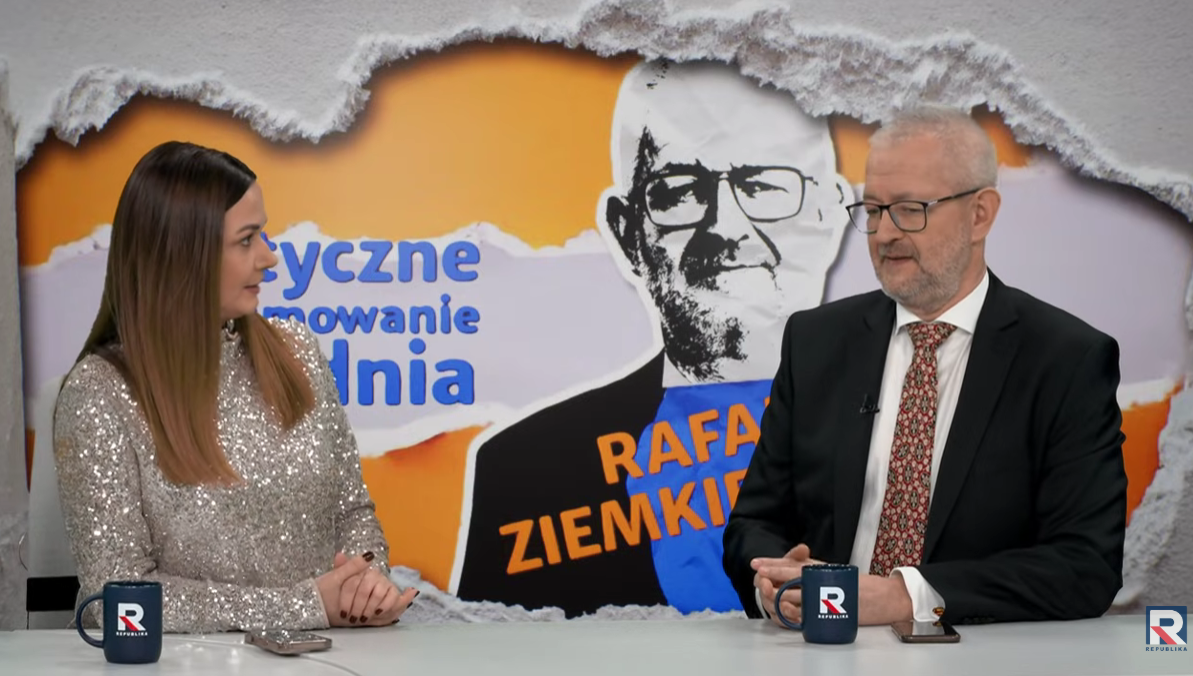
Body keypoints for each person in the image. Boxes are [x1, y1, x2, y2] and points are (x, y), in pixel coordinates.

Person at [452, 59, 853, 616]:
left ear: (830, 213)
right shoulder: (524, 471)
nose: (726, 227)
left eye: (764, 185)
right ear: (628, 233)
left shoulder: (909, 437)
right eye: (680, 192)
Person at [722, 104, 1128, 627]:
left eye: (910, 209)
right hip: (821, 646)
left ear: (980, 214)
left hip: (979, 655)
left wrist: (904, 597)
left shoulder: (1066, 360)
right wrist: (775, 583)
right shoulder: (815, 341)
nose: (884, 233)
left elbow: (1083, 566)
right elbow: (753, 524)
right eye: (873, 210)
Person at [53, 141, 419, 633]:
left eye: (262, 234)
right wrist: (304, 607)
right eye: (247, 240)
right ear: (183, 255)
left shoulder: (298, 351)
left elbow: (352, 513)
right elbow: (115, 599)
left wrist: (365, 585)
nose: (270, 257)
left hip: (334, 658)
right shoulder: (98, 395)